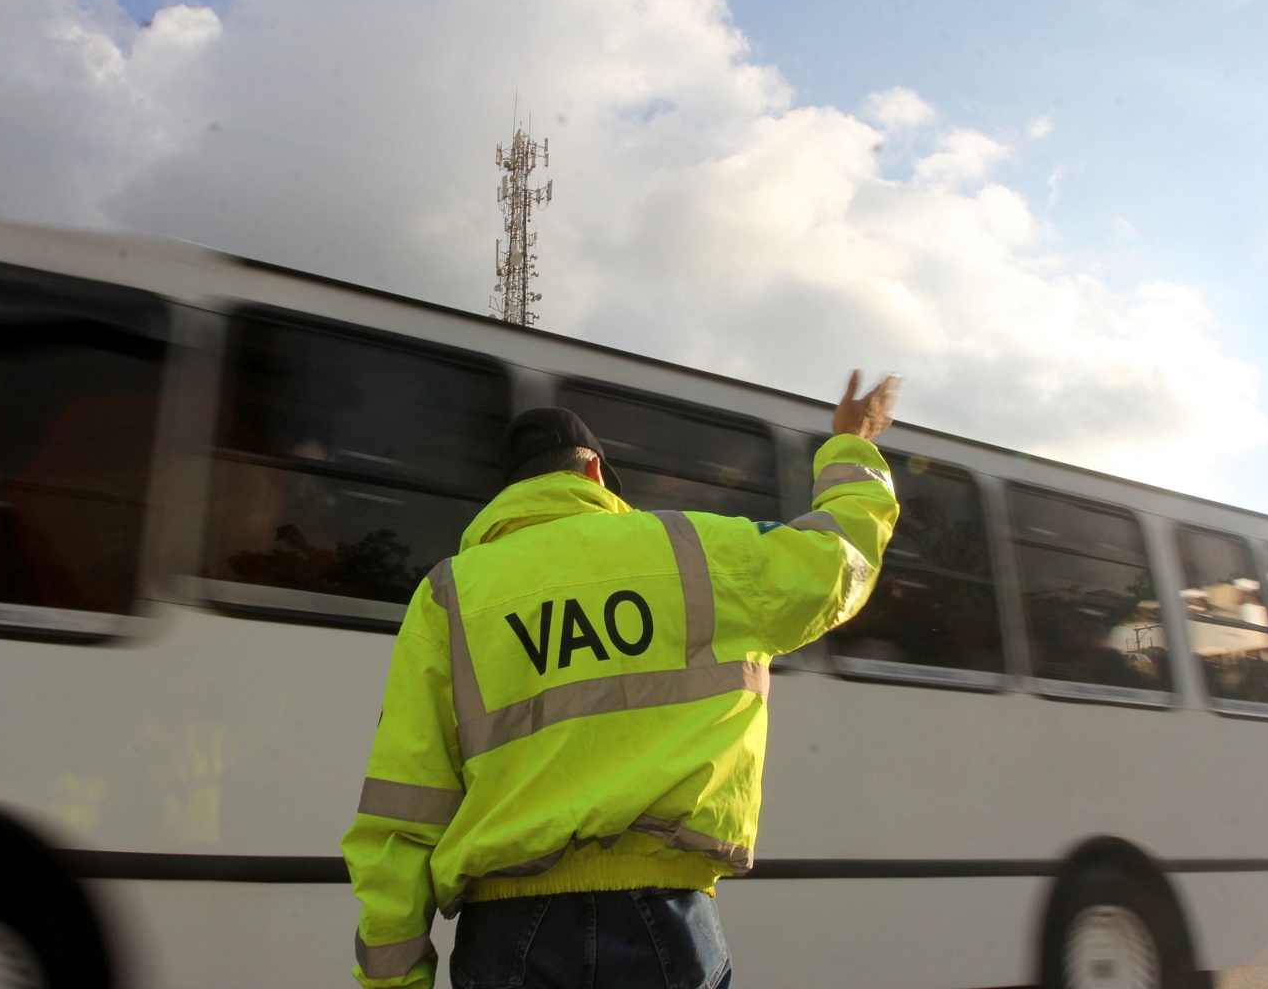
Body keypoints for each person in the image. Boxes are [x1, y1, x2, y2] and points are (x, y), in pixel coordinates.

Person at [342, 371, 901, 989]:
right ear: (594, 475)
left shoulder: (451, 594)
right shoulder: (697, 552)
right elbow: (840, 558)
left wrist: (393, 981)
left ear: (511, 494)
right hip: (666, 921)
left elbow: (401, 813)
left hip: (507, 931)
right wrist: (854, 441)